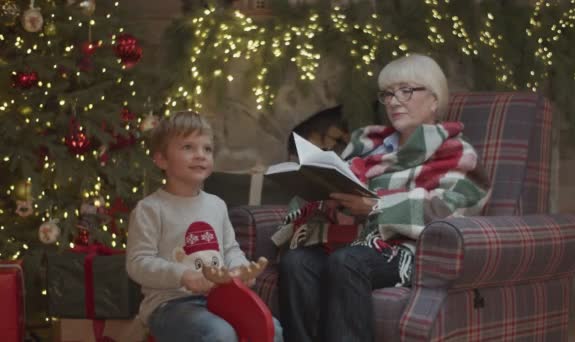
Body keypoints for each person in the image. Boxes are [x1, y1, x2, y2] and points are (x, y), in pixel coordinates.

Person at [275, 53, 491, 342]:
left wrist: (377, 206)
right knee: (297, 262)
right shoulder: (366, 144)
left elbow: (450, 209)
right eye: (388, 93)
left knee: (348, 260)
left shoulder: (455, 151)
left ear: (434, 100)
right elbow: (339, 182)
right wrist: (325, 194)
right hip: (349, 239)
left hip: (403, 251)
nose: (393, 101)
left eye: (406, 90)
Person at [126, 110, 283, 342]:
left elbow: (230, 250)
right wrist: (184, 275)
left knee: (272, 328)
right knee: (219, 334)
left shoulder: (216, 205)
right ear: (161, 159)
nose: (200, 155)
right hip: (170, 305)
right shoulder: (150, 209)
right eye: (188, 147)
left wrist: (240, 269)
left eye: (207, 149)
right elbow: (138, 263)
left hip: (221, 299)